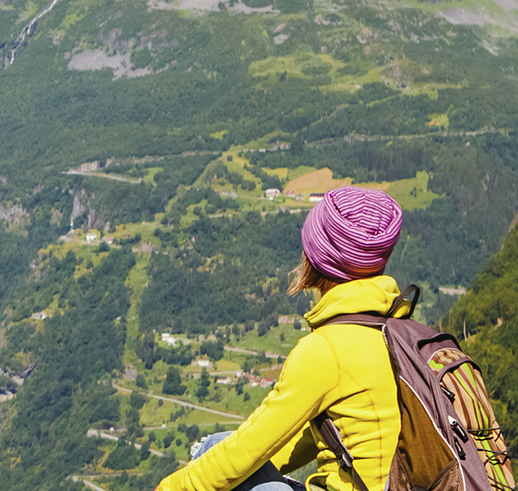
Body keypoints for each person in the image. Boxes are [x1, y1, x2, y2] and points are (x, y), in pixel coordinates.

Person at [156, 186, 407, 491]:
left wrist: (170, 488)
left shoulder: (327, 350)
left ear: (316, 258)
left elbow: (245, 450)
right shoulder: (400, 331)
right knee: (217, 446)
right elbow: (318, 435)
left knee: (228, 465)